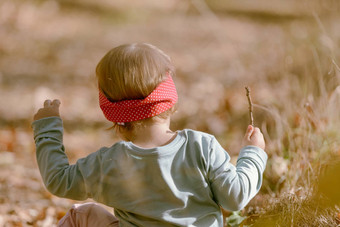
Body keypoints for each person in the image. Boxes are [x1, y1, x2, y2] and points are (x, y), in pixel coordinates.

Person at [32, 43, 267, 227]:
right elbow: (235, 197)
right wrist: (253, 153)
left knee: (81, 214)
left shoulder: (110, 163)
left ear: (113, 114)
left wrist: (47, 129)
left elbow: (58, 181)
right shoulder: (201, 146)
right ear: (170, 98)